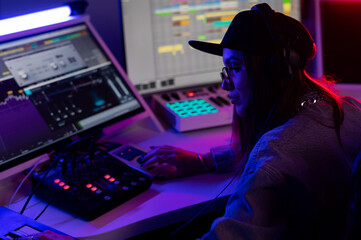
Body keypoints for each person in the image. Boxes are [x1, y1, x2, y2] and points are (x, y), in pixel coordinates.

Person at [25, 2, 361, 240]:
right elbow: (291, 153)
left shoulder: (275, 158)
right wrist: (205, 160)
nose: (226, 85)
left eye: (236, 69)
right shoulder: (344, 111)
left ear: (273, 72)